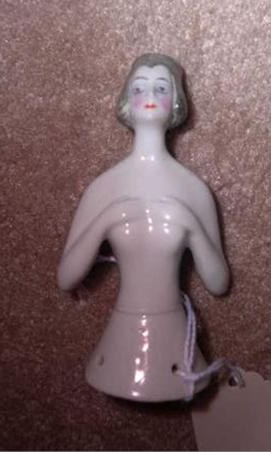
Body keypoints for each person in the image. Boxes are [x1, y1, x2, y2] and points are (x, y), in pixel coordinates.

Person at [57, 53, 229, 401]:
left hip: (175, 351)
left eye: (161, 87)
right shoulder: (105, 187)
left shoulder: (193, 189)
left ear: (176, 102)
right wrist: (106, 220)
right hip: (117, 352)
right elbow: (66, 278)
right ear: (126, 101)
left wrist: (191, 226)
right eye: (139, 87)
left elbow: (218, 283)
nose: (149, 94)